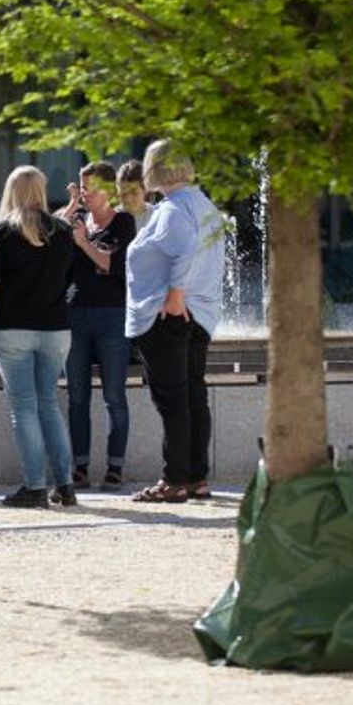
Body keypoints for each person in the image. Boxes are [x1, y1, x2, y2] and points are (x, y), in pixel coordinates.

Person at [125, 140, 227, 503]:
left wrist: (175, 295)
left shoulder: (173, 208)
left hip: (169, 313)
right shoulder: (204, 205)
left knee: (172, 399)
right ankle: (197, 477)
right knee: (193, 396)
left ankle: (174, 480)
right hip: (198, 314)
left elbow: (183, 251)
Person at [0, 166, 79, 509]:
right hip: (55, 327)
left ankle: (35, 486)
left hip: (12, 326)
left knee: (24, 407)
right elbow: (71, 278)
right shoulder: (63, 231)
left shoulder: (2, 230)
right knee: (48, 404)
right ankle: (65, 484)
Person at [57, 161, 137, 489]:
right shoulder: (77, 221)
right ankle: (80, 466)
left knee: (114, 394)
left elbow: (114, 265)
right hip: (75, 314)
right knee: (77, 395)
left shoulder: (123, 223)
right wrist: (71, 210)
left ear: (109, 191)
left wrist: (84, 245)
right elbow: (52, 245)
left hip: (112, 315)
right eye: (81, 186)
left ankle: (115, 465)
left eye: (89, 188)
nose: (84, 192)